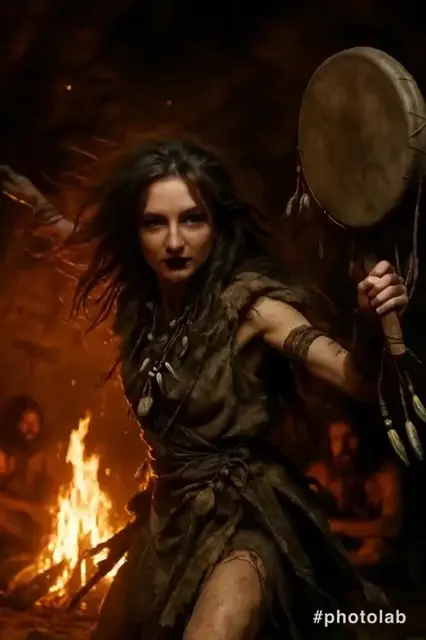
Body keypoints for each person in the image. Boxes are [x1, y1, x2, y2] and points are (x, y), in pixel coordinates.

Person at [0, 140, 413, 638]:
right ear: (137, 234)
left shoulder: (253, 309)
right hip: (168, 523)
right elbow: (81, 239)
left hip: (244, 518)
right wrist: (36, 203)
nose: (175, 241)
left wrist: (369, 323)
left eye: (192, 220)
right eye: (156, 223)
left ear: (216, 226)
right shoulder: (144, 307)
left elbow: (356, 379)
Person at [307, 418, 402, 575]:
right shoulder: (320, 474)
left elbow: (391, 526)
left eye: (349, 437)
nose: (342, 447)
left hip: (373, 562)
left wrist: (332, 526)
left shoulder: (385, 475)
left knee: (376, 547)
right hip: (335, 556)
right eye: (335, 439)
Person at [0, 395, 53, 588]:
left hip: (31, 526)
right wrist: (27, 508)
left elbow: (52, 494)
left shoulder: (43, 456)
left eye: (34, 423)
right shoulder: (4, 455)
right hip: (9, 521)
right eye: (25, 423)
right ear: (16, 424)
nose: (31, 429)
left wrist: (44, 511)